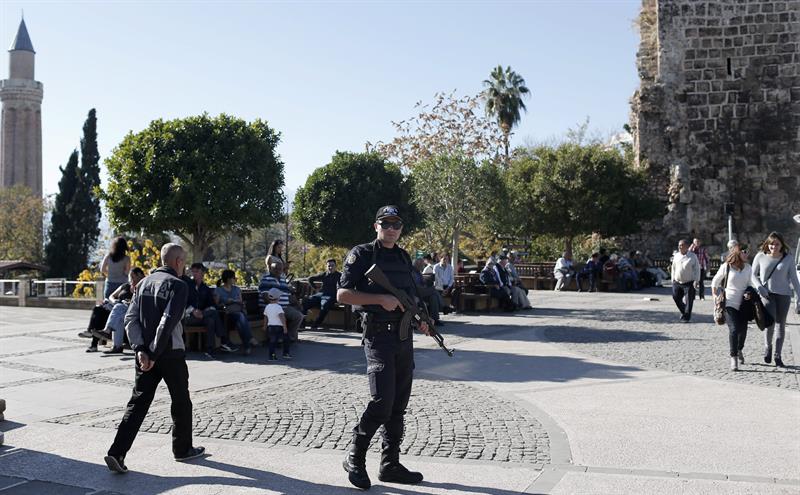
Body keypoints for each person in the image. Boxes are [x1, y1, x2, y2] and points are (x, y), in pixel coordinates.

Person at [337, 205, 428, 490]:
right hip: (378, 336)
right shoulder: (362, 254)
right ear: (376, 225)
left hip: (403, 337)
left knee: (399, 405)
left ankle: (390, 464)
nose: (391, 229)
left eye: (396, 224)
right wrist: (379, 300)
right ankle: (355, 457)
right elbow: (342, 294)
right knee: (382, 402)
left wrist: (422, 318)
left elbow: (412, 295)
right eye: (386, 223)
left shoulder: (402, 256)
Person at [104, 243, 205, 474]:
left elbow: (130, 319)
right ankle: (182, 449)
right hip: (169, 353)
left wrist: (140, 350)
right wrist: (154, 352)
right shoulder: (179, 285)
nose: (185, 266)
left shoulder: (143, 283)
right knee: (180, 401)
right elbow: (168, 322)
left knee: (137, 403)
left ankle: (116, 452)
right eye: (184, 261)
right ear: (178, 261)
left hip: (144, 356)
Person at [751, 232, 800, 368]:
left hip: (784, 295)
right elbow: (752, 275)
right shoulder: (760, 257)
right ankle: (768, 347)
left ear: (781, 245)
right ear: (768, 244)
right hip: (767, 294)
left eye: (777, 244)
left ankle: (778, 355)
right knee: (770, 323)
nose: (774, 246)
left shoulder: (788, 258)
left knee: (781, 324)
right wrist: (759, 287)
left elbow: (794, 280)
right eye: (772, 244)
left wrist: (799, 296)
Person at [711, 245, 753, 371]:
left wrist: (754, 290)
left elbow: (752, 283)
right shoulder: (726, 267)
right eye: (744, 251)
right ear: (737, 252)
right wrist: (715, 297)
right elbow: (715, 282)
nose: (747, 254)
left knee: (743, 332)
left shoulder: (748, 268)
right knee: (734, 329)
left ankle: (739, 349)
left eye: (747, 252)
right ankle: (733, 358)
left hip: (744, 305)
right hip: (729, 304)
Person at [184, 263, 236, 358]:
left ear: (203, 273)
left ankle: (209, 350)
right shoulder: (187, 285)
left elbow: (211, 304)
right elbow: (182, 302)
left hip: (202, 316)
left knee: (211, 320)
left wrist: (204, 312)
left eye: (197, 272)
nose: (194, 274)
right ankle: (224, 341)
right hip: (188, 317)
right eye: (193, 271)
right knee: (213, 313)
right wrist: (193, 311)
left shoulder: (205, 288)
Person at [89, 268, 146, 354]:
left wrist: (129, 302)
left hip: (133, 310)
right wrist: (114, 301)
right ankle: (116, 346)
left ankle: (107, 332)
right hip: (119, 309)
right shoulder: (125, 286)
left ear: (140, 276)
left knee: (119, 309)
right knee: (100, 308)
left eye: (133, 277)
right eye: (130, 277)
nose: (131, 280)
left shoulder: (144, 286)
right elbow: (111, 296)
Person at [259, 261, 304, 342]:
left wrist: (298, 304)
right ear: (270, 269)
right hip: (270, 307)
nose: (278, 270)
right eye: (275, 268)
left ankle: (288, 336)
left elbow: (289, 295)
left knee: (299, 316)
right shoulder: (266, 279)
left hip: (284, 307)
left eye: (280, 269)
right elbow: (265, 297)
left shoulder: (283, 280)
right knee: (279, 316)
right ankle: (278, 338)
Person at [215, 270, 255, 355]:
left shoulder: (237, 289)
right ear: (228, 279)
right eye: (234, 278)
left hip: (237, 311)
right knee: (241, 318)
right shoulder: (219, 290)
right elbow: (216, 304)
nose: (235, 279)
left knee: (240, 321)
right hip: (226, 314)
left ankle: (247, 346)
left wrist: (237, 301)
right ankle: (249, 341)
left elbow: (240, 301)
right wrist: (226, 302)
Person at [302, 259, 341, 329]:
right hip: (320, 295)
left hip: (331, 296)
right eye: (329, 266)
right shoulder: (324, 274)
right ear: (326, 266)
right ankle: (302, 324)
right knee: (305, 301)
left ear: (335, 266)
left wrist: (340, 299)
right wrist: (315, 288)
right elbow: (310, 279)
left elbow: (344, 286)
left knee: (325, 305)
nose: (330, 267)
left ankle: (316, 324)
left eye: (332, 266)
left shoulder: (339, 276)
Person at [671, 239, 700, 322]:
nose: (680, 247)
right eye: (679, 245)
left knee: (689, 300)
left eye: (682, 245)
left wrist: (696, 280)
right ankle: (684, 311)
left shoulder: (693, 256)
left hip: (689, 282)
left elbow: (697, 269)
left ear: (687, 247)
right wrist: (672, 279)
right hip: (677, 281)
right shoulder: (676, 256)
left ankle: (686, 317)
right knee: (676, 297)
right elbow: (673, 268)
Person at [264, 287, 291, 360]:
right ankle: (286, 353)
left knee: (272, 342)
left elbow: (266, 317)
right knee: (286, 339)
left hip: (270, 327)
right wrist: (285, 327)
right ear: (277, 298)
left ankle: (271, 356)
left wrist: (264, 326)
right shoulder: (278, 307)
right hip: (279, 327)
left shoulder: (267, 307)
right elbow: (282, 317)